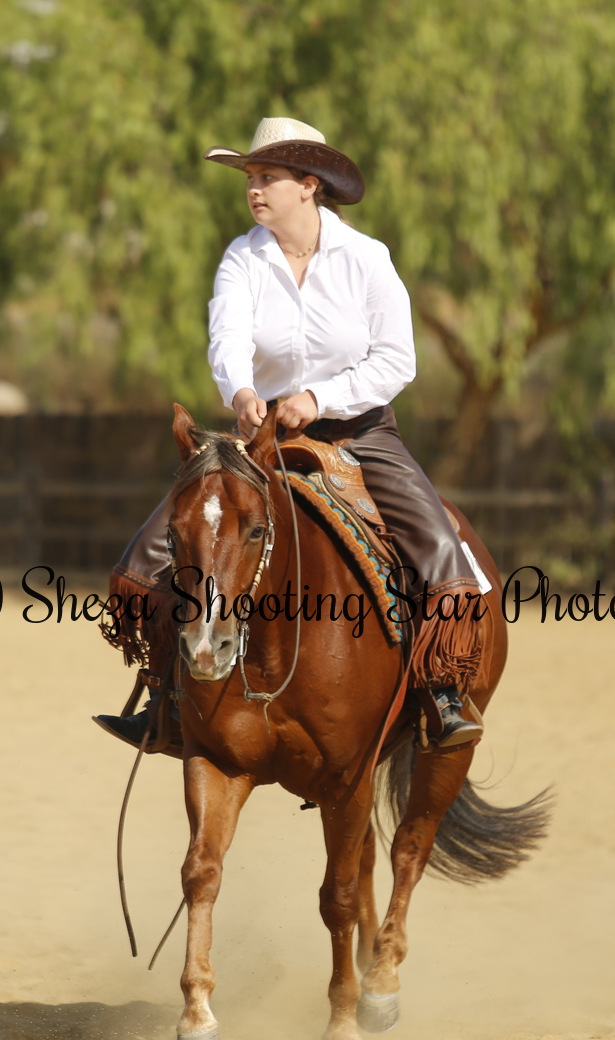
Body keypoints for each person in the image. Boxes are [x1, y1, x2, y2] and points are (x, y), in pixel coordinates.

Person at [95, 117, 486, 751]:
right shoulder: (242, 257)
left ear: (309, 185)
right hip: (262, 436)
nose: (253, 189)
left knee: (439, 545)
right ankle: (165, 694)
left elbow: (396, 361)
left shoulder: (367, 259)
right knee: (153, 552)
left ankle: (441, 690)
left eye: (267, 177)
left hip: (360, 433)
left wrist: (318, 399)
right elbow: (227, 339)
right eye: (250, 177)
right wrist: (242, 393)